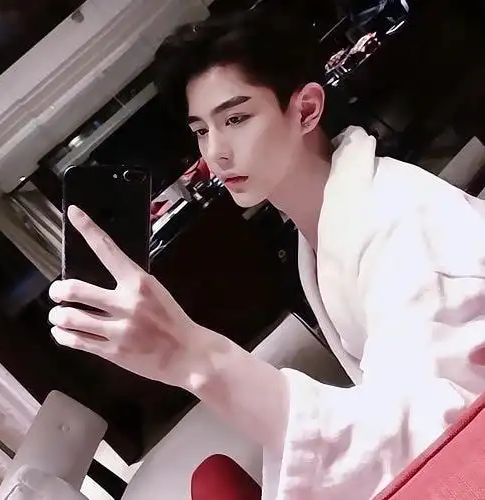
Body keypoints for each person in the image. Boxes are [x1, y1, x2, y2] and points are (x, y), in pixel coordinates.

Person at [48, 9, 485, 500]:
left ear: (306, 110)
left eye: (236, 119)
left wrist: (194, 355)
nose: (215, 153)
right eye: (201, 130)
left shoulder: (403, 232)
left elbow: (444, 448)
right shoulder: (323, 227)